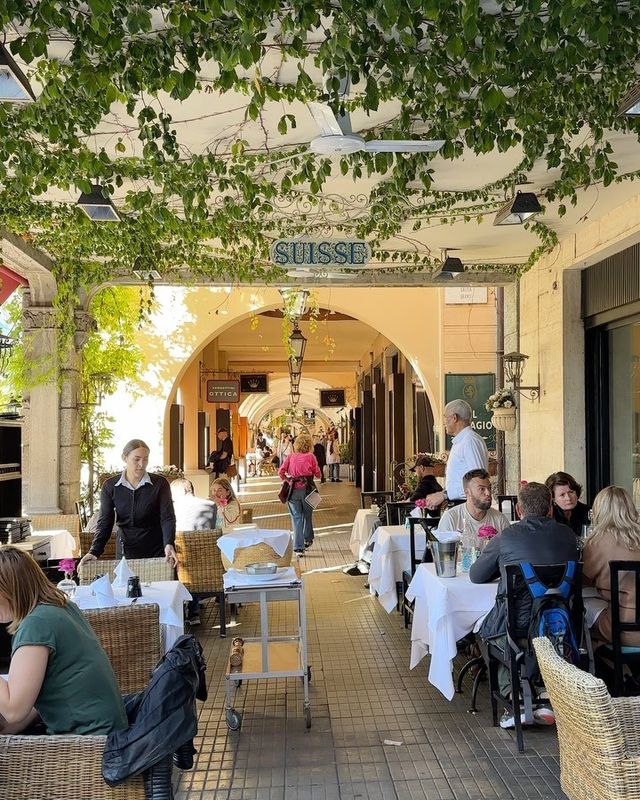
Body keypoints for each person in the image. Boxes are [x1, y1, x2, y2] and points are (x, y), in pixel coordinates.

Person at [469, 482, 579, 728]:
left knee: (488, 634)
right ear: (550, 508)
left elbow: (476, 575)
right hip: (558, 624)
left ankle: (514, 698)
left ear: (518, 510)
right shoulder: (568, 535)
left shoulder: (506, 537)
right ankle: (542, 692)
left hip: (517, 626)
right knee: (517, 633)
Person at [0, 546, 128, 735]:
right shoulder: (62, 607)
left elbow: (14, 710)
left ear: (10, 589)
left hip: (87, 744)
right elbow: (42, 698)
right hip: (108, 731)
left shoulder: (36, 624)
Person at [79, 439, 178, 569]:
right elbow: (105, 522)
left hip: (157, 548)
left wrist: (168, 543)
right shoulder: (111, 486)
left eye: (145, 459)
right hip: (126, 549)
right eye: (136, 459)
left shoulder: (160, 484)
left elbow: (167, 517)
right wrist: (94, 551)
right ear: (125, 458)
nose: (141, 464)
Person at [582, 485, 640, 647]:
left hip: (623, 630)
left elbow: (584, 580)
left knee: (581, 607)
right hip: (632, 622)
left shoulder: (598, 542)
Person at [425, 399, 489, 510]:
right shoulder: (462, 440)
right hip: (459, 505)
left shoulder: (470, 441)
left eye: (445, 417)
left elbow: (478, 480)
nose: (444, 422)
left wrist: (444, 495)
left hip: (467, 507)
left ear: (455, 417)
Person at [171, 478, 218, 626]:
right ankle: (194, 609)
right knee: (194, 562)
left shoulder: (174, 508)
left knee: (175, 562)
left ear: (179, 491)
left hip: (183, 559)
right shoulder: (210, 505)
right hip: (208, 559)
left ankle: (182, 608)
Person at [278, 433, 321, 555]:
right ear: (310, 445)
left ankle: (298, 547)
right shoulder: (311, 457)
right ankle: (308, 539)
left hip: (293, 491)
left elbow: (281, 472)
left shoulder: (291, 457)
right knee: (307, 515)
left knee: (296, 517)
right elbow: (317, 473)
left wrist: (287, 480)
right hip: (308, 490)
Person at [437, 469, 511, 536]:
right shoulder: (451, 518)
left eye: (489, 488)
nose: (488, 493)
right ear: (467, 492)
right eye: (481, 489)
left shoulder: (499, 519)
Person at [545, 471, 591, 537]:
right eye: (562, 495)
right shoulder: (548, 516)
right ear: (553, 498)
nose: (568, 498)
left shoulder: (588, 512)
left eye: (571, 492)